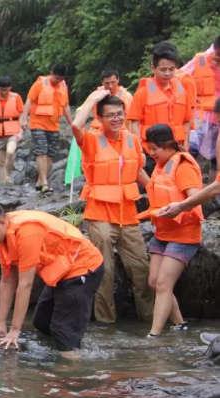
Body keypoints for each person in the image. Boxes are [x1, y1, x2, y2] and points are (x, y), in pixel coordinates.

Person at [0, 200, 104, 356]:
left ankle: (72, 371)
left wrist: (14, 331)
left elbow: (25, 284)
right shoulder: (3, 235)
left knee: (62, 330)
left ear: (1, 223)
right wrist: (1, 325)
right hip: (61, 271)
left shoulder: (27, 232)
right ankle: (68, 342)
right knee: (42, 322)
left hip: (83, 268)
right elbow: (7, 281)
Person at [72, 90, 154, 324]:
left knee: (142, 269)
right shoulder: (91, 140)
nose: (116, 119)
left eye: (120, 114)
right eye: (110, 115)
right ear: (100, 118)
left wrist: (159, 194)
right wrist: (93, 99)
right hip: (99, 215)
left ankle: (150, 322)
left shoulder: (133, 140)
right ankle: (106, 324)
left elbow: (138, 171)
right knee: (104, 272)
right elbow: (76, 125)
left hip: (128, 215)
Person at [137, 125, 203, 337]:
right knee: (154, 281)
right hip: (163, 233)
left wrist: (178, 208)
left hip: (184, 234)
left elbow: (196, 196)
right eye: (149, 149)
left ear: (169, 145)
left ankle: (153, 335)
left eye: (155, 148)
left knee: (164, 283)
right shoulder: (160, 165)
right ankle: (180, 324)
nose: (152, 153)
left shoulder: (183, 166)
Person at [128, 42, 194, 174]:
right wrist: (139, 149)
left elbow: (186, 120)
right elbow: (134, 121)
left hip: (176, 148)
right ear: (153, 68)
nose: (168, 73)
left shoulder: (182, 91)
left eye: (171, 69)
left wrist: (186, 143)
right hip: (152, 152)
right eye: (163, 70)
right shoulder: (143, 92)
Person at [21, 63, 73, 194]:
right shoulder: (39, 84)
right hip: (38, 123)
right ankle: (44, 183)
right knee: (41, 152)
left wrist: (72, 124)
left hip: (54, 125)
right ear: (51, 73)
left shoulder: (63, 86)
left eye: (61, 79)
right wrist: (23, 119)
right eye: (56, 78)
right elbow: (29, 101)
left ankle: (40, 181)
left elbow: (65, 106)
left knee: (50, 154)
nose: (58, 81)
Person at [181, 38, 220, 180]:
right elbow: (180, 75)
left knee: (217, 159)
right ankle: (192, 187)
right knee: (191, 151)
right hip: (200, 114)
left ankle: (214, 195)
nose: (217, 58)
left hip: (218, 117)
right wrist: (190, 94)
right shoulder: (200, 60)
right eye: (217, 54)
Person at [0, 75, 25, 184]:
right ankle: (3, 185)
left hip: (13, 132)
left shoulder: (16, 97)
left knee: (10, 152)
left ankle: (8, 176)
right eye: (1, 89)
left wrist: (21, 132)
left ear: (10, 87)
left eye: (6, 89)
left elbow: (21, 115)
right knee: (1, 162)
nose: (3, 92)